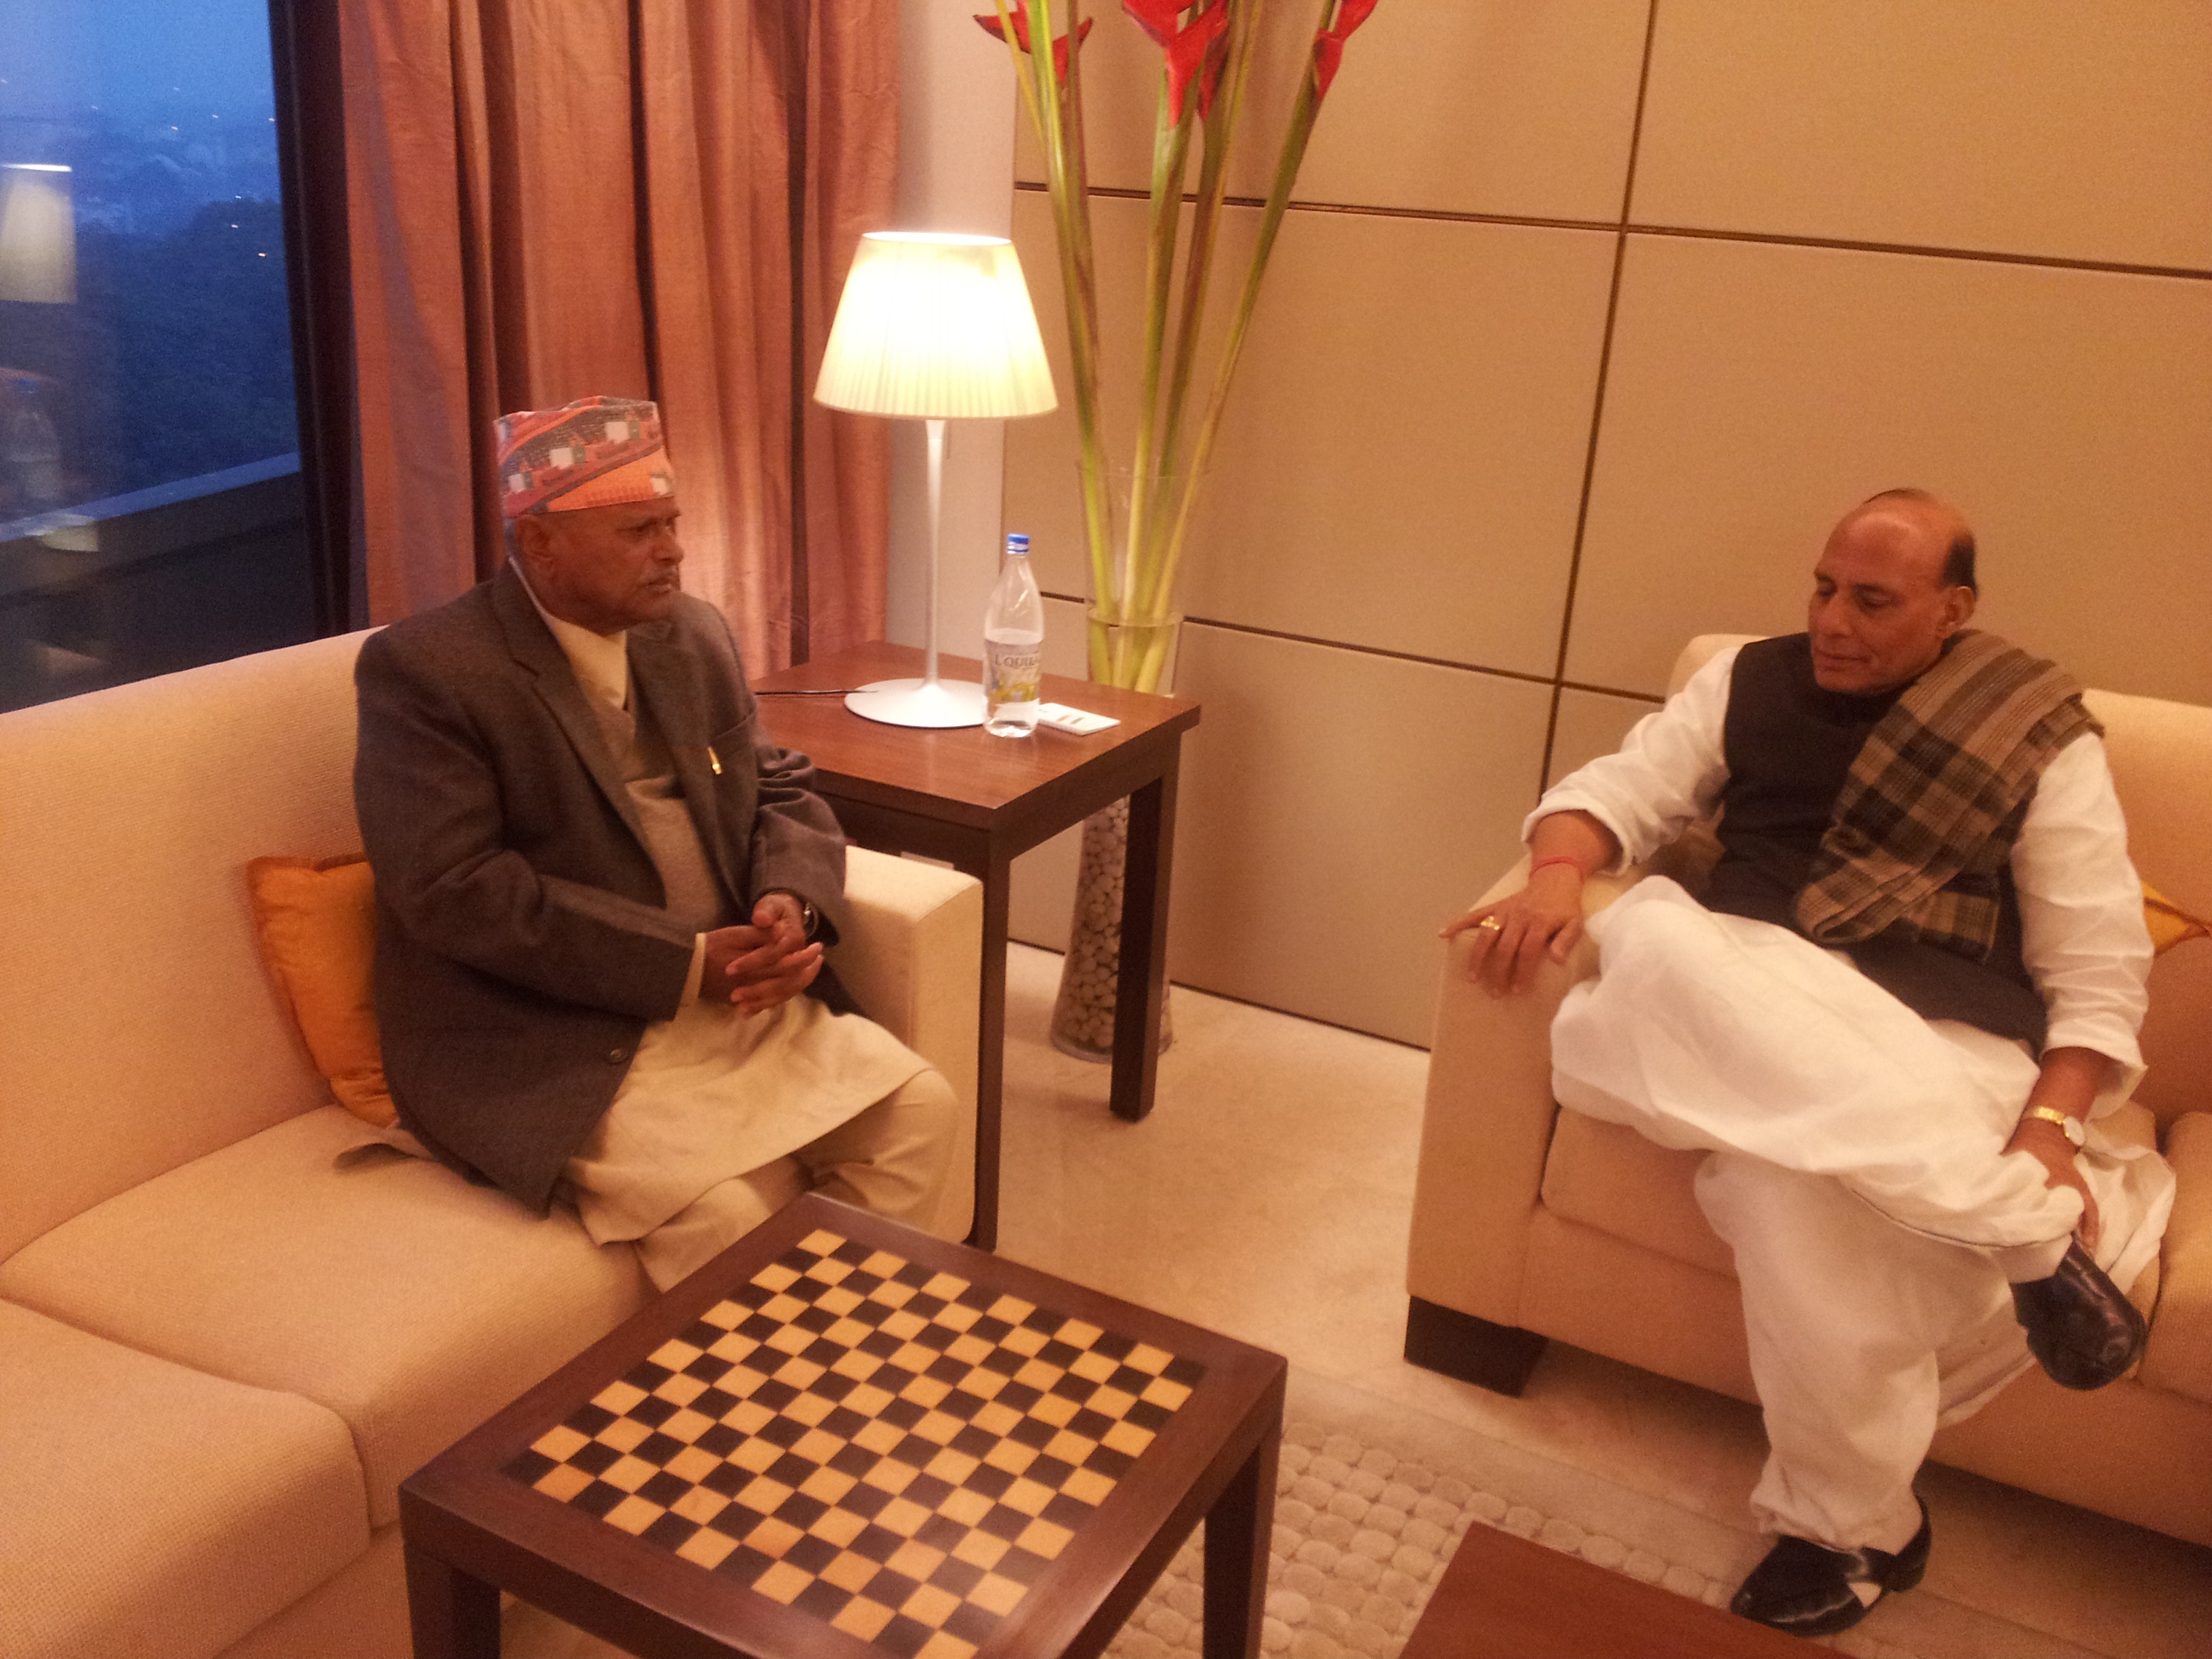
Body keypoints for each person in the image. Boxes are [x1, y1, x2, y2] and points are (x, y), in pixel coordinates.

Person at [1442, 490, 2172, 1637]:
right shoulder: (1746, 682)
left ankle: (1855, 1529)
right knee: (1655, 930)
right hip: (1738, 998)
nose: (1834, 621)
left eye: (1873, 601)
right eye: (1825, 589)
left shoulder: (2035, 735)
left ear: (1953, 610)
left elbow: (2097, 971)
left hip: (1937, 1048)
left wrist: (2049, 1132)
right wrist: (1550, 875)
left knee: (1789, 1188)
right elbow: (1611, 796)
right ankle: (2020, 1233)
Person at [355, 395, 960, 1291]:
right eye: (640, 530)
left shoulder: (690, 634)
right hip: (548, 1034)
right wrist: (684, 962)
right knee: (721, 1216)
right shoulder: (433, 671)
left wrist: (791, 902)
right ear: (542, 542)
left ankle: (840, 1358)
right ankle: (764, 1412)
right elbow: (453, 888)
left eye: (670, 523)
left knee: (920, 1107)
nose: (672, 549)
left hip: (727, 999)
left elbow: (778, 784)